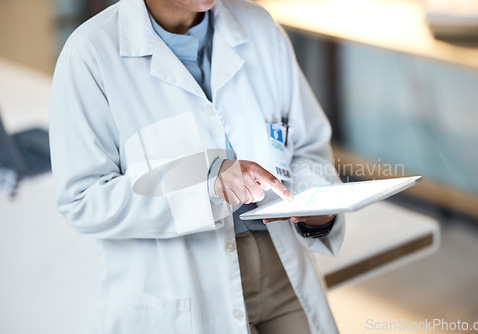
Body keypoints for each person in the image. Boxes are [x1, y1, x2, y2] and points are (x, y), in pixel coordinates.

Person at [49, 0, 346, 333]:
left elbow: (307, 146)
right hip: (180, 290)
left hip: (282, 268)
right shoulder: (89, 53)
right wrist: (207, 182)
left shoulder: (258, 26)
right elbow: (84, 200)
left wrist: (314, 206)